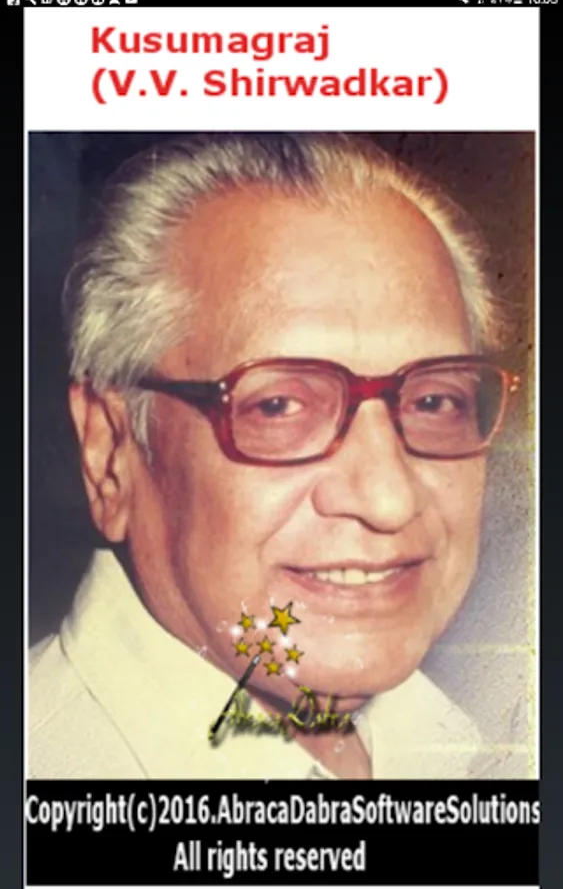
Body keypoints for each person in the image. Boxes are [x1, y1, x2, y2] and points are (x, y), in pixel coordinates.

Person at [28, 132, 524, 780]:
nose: (388, 500)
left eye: (434, 400)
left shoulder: (490, 743)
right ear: (109, 452)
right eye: (279, 406)